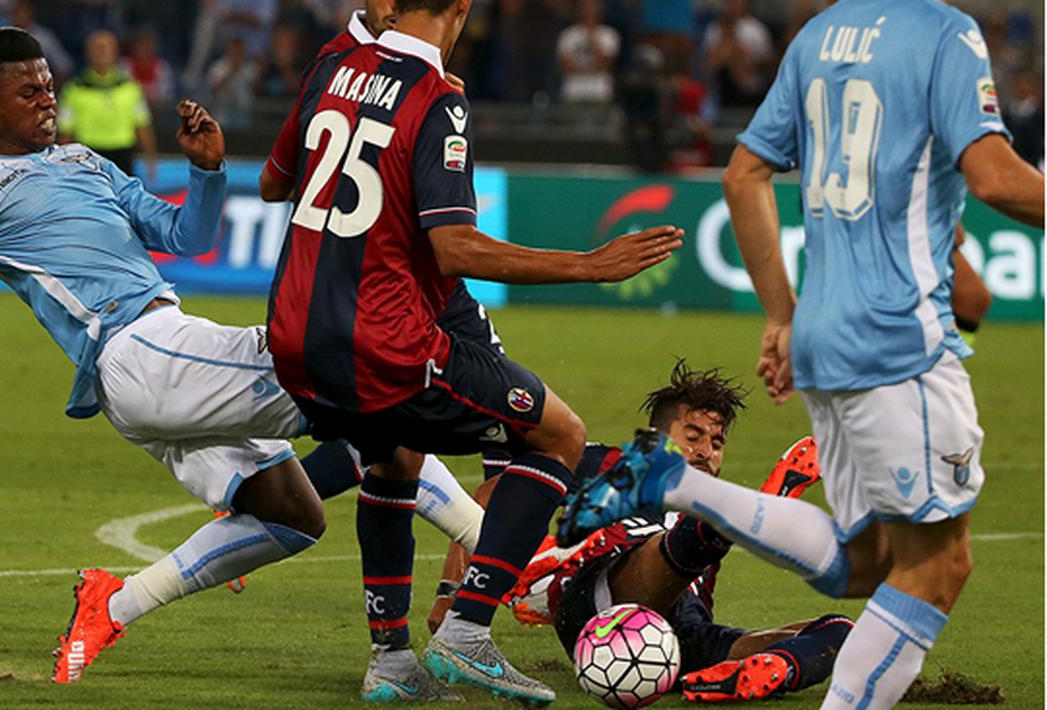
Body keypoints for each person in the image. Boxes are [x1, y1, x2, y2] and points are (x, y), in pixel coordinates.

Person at [560, 3, 1045, 709]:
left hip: (823, 332)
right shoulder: (945, 32)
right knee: (937, 565)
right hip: (900, 338)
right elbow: (994, 178)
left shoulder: (816, 35)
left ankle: (674, 480)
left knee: (864, 563)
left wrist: (784, 317)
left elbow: (742, 174)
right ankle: (673, 484)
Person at [0, 27, 331, 686]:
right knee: (343, 370)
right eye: (28, 92)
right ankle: (496, 567)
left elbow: (185, 236)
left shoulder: (86, 163)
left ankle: (113, 602)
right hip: (137, 350)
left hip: (164, 351)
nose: (47, 100)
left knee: (294, 516)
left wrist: (207, 172)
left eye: (48, 85)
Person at [265, 0, 685, 703]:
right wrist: (588, 265)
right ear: (461, 7)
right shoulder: (435, 99)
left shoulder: (334, 64)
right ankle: (465, 632)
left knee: (394, 456)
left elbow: (275, 182)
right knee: (558, 435)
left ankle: (391, 664)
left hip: (296, 336)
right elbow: (454, 245)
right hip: (385, 340)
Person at [429, 362, 853, 703]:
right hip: (598, 603)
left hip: (681, 634)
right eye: (693, 436)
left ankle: (767, 670)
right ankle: (753, 511)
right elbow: (489, 498)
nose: (706, 451)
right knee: (688, 534)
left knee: (842, 633)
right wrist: (453, 594)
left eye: (717, 442)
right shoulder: (604, 464)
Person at [58, 30, 158, 181]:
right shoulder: (73, 90)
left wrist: (151, 158)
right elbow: (65, 132)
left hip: (123, 155)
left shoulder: (130, 87)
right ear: (88, 53)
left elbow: (142, 125)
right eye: (97, 48)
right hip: (88, 156)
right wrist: (61, 165)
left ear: (115, 52)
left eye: (106, 48)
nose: (102, 53)